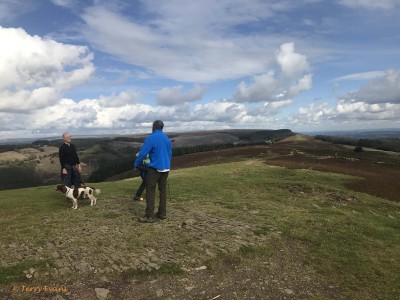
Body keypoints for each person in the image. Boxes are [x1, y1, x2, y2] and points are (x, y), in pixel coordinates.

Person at [134, 120, 172, 223]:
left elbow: (142, 153)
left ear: (154, 127)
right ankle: (162, 213)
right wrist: (167, 166)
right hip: (166, 168)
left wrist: (136, 164)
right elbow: (169, 154)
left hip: (154, 168)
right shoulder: (167, 139)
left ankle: (149, 216)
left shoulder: (151, 138)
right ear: (162, 127)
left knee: (150, 189)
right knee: (162, 190)